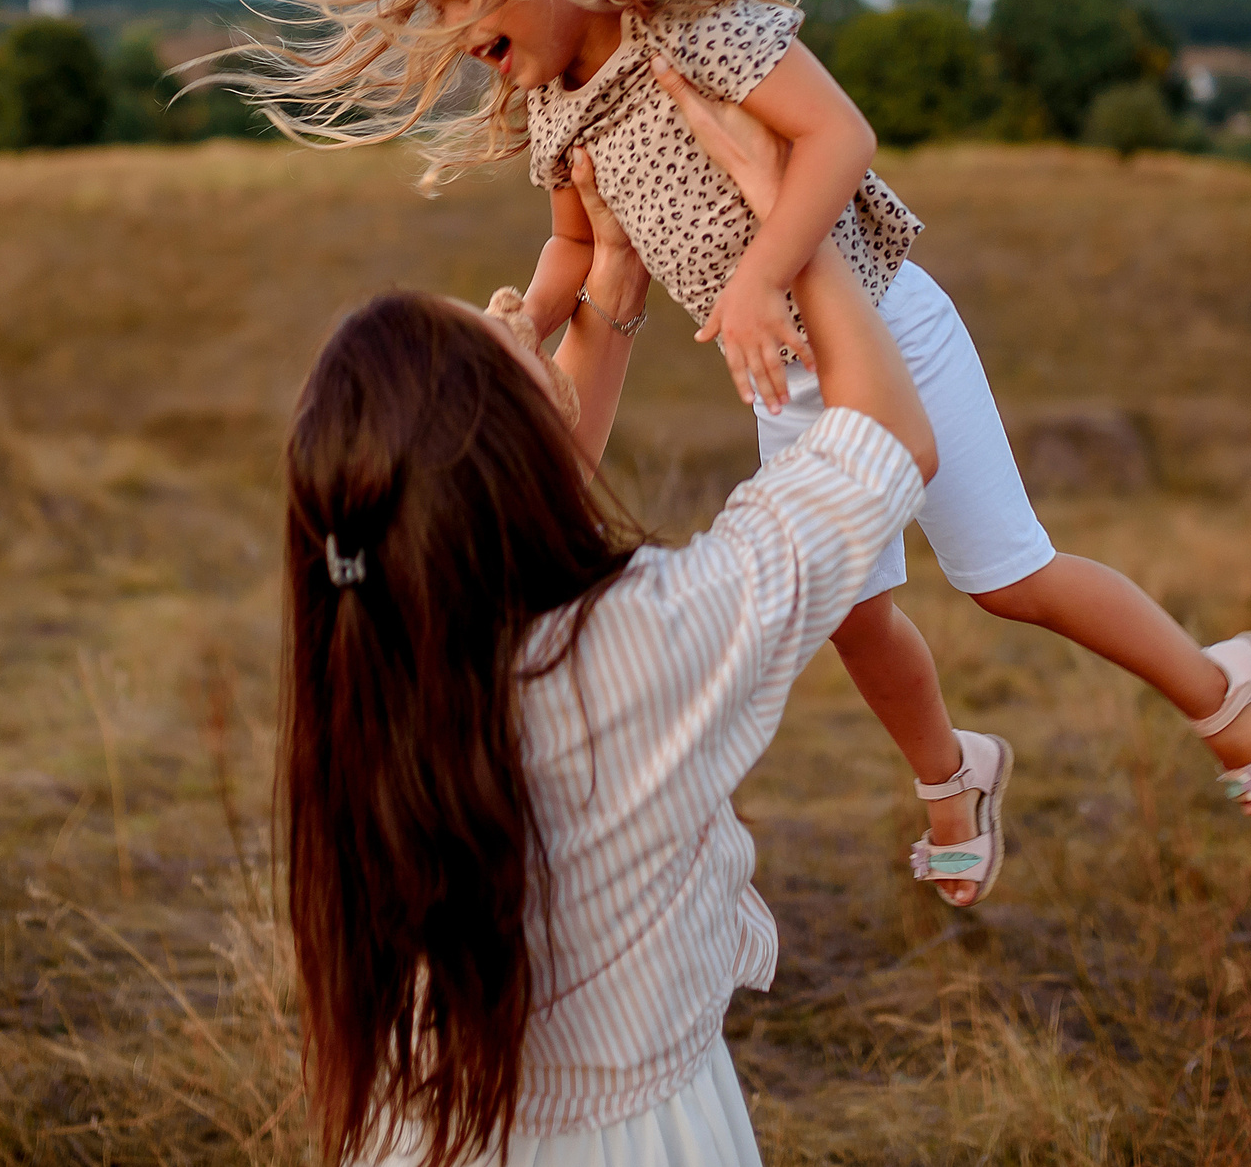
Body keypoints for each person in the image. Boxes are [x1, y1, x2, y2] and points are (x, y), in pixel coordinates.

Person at [230, 0, 1251, 907]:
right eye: (431, 4)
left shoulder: (691, 28)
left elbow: (839, 135)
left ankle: (1219, 686)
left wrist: (753, 274)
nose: (452, 30)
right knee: (844, 603)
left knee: (1008, 579)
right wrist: (511, 336)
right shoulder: (556, 105)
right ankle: (953, 769)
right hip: (775, 370)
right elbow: (571, 245)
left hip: (884, 325)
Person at [281, 143, 941, 1167]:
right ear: (495, 453)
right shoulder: (643, 642)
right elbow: (887, 436)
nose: (514, 308)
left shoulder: (371, 656)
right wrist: (788, 219)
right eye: (497, 332)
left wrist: (612, 275)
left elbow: (514, 532)